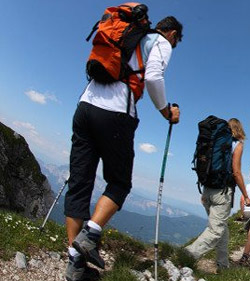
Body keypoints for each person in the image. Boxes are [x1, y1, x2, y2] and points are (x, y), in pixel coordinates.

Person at [64, 16, 183, 281]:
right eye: (177, 41)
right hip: (116, 113)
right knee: (119, 183)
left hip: (85, 106)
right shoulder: (160, 42)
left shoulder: (126, 35)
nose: (174, 45)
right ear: (172, 33)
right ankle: (90, 236)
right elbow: (153, 78)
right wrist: (167, 112)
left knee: (79, 182)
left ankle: (75, 264)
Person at [185, 118, 250, 272]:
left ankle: (223, 266)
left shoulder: (214, 140)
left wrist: (205, 189)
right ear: (240, 130)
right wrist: (245, 195)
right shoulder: (237, 144)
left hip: (208, 189)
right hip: (222, 193)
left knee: (222, 229)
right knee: (215, 231)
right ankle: (186, 255)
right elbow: (236, 171)